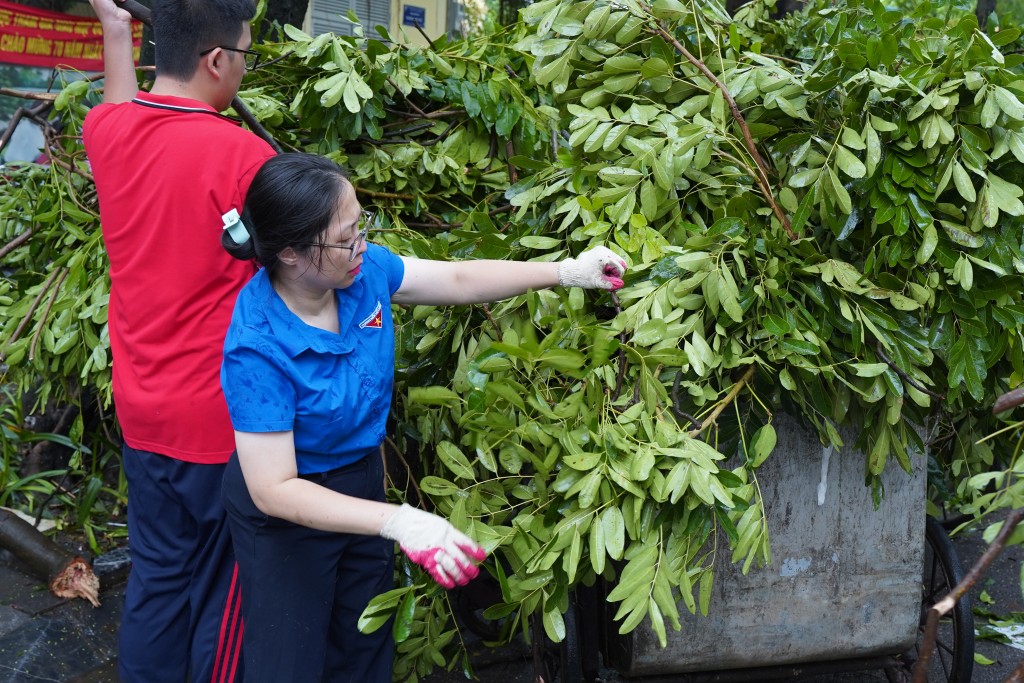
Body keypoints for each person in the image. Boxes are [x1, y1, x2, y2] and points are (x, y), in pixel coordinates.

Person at [218, 152, 627, 682]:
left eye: (361, 224)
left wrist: (565, 272)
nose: (361, 244)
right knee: (289, 664)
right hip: (287, 517)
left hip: (359, 478)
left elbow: (457, 279)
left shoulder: (361, 276)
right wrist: (397, 520)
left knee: (364, 647)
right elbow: (274, 488)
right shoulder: (257, 346)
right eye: (346, 237)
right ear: (292, 253)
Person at [82, 1, 276, 681]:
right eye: (246, 55)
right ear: (217, 60)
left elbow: (118, 103)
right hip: (218, 420)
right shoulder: (246, 156)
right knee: (226, 594)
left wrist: (113, 30)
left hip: (141, 407)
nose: (245, 69)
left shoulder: (107, 134)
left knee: (159, 576)